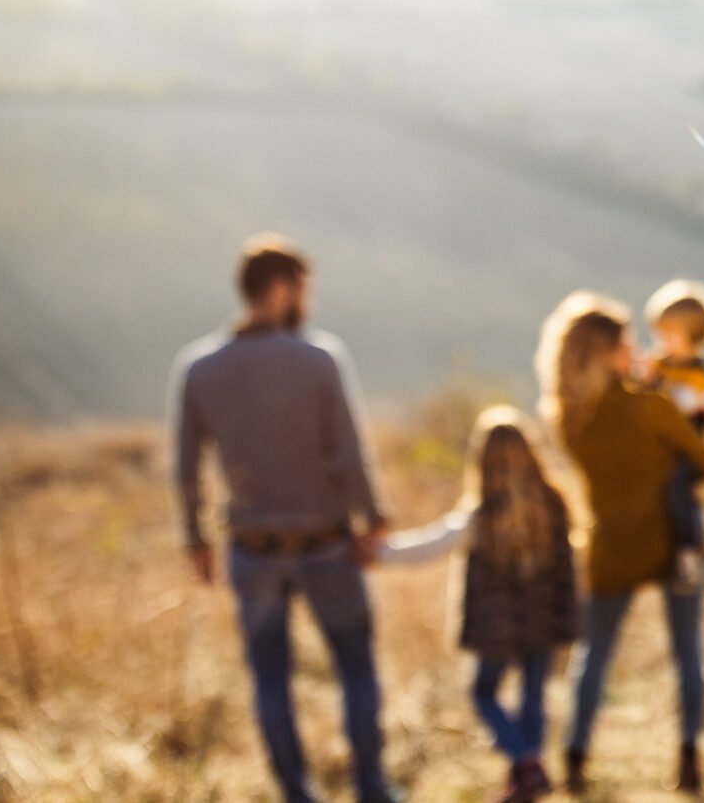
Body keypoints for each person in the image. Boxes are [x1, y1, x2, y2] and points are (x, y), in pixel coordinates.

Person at [170, 234, 403, 803]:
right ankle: (371, 787)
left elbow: (186, 465)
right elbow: (349, 452)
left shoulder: (200, 368)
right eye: (303, 290)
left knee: (271, 679)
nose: (308, 303)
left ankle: (297, 795)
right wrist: (372, 518)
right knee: (355, 665)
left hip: (251, 548)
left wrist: (196, 540)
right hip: (325, 542)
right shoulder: (318, 359)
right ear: (280, 289)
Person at [536, 291, 704, 794]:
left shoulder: (567, 418)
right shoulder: (648, 407)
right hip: (675, 537)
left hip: (610, 542)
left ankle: (574, 759)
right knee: (688, 651)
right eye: (627, 341)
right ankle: (688, 758)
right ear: (610, 351)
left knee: (592, 655)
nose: (638, 346)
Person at [378, 406, 579, 802]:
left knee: (484, 693)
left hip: (496, 629)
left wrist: (379, 553)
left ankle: (525, 763)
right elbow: (569, 569)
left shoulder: (481, 512)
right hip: (543, 622)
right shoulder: (554, 504)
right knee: (533, 699)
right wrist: (568, 618)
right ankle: (527, 770)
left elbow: (431, 545)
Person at [640, 279, 704, 594]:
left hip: (688, 449)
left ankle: (689, 553)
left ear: (693, 336)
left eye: (669, 333)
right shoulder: (658, 364)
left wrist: (658, 386)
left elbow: (687, 406)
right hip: (660, 447)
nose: (662, 341)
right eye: (659, 332)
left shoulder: (700, 373)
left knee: (678, 491)